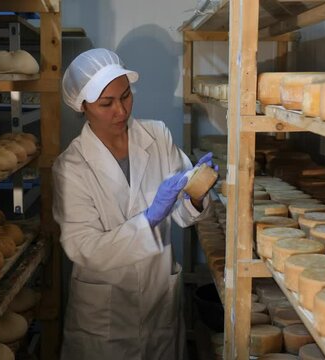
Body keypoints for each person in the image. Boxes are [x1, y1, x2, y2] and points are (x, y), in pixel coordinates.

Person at [53, 48, 216, 360]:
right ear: (83, 106)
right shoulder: (71, 166)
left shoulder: (157, 135)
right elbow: (83, 247)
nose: (121, 111)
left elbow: (183, 213)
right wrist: (150, 219)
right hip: (105, 317)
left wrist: (196, 193)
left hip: (159, 302)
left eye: (126, 96)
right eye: (106, 103)